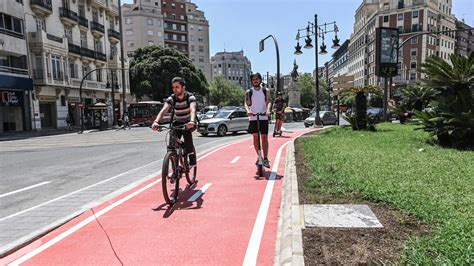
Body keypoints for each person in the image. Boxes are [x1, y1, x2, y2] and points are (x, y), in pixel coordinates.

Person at [152, 77, 197, 166]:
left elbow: (193, 109)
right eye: (173, 87)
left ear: (183, 88)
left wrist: (192, 121)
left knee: (187, 135)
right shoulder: (172, 98)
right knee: (171, 145)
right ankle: (175, 166)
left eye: (177, 87)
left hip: (189, 121)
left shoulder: (190, 97)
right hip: (178, 122)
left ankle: (192, 158)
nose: (174, 89)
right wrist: (156, 121)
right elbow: (163, 110)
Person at [245, 72, 272, 168]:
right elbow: (246, 103)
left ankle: (265, 158)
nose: (255, 80)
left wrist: (268, 111)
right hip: (253, 117)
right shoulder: (249, 91)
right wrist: (248, 111)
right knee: (255, 137)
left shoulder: (266, 90)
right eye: (253, 79)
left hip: (263, 117)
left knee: (264, 137)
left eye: (257, 79)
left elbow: (268, 101)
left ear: (260, 80)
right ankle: (259, 156)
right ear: (251, 81)